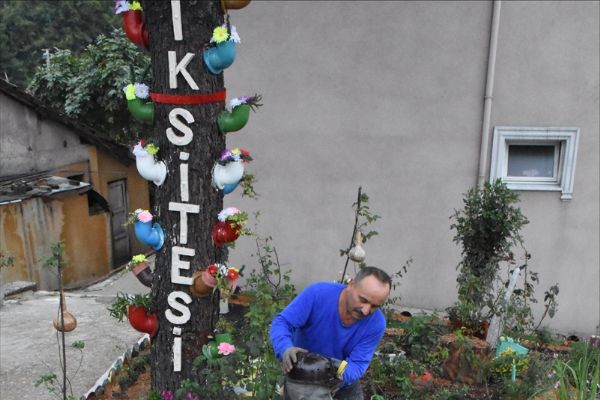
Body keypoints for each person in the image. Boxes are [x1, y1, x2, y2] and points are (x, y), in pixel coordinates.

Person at [270, 266, 392, 399]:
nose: (366, 310)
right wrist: (285, 348)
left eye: (375, 306)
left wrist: (334, 375)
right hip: (301, 377)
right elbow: (282, 322)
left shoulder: (376, 324)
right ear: (351, 285)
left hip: (341, 380)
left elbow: (357, 364)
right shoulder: (318, 294)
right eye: (363, 300)